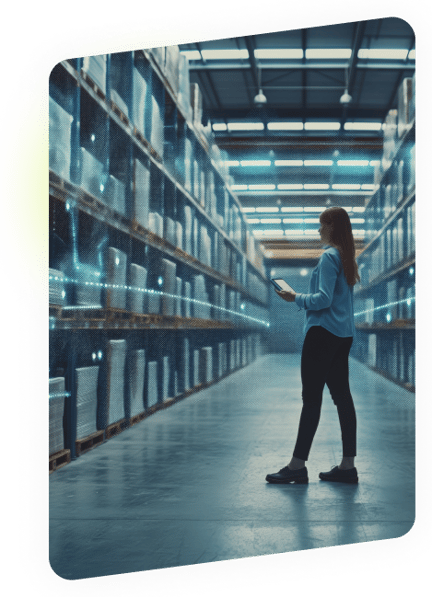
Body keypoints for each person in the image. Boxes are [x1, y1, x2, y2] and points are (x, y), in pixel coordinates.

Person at [266, 207, 360, 485]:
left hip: (322, 334)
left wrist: (294, 297)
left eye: (321, 225)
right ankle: (347, 466)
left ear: (331, 225)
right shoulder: (346, 258)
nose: (319, 230)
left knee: (311, 399)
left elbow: (323, 299)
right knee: (342, 397)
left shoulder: (329, 257)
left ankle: (297, 466)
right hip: (343, 335)